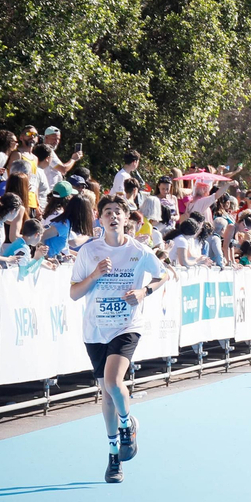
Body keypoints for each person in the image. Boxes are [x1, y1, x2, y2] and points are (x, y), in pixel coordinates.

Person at [70, 194, 166, 484]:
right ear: (100, 219)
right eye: (107, 212)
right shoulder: (89, 252)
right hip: (95, 329)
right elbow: (74, 292)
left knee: (113, 383)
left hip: (126, 325)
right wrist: (95, 275)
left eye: (118, 212)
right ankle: (114, 457)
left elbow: (163, 276)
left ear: (127, 219)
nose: (113, 216)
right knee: (107, 396)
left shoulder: (139, 251)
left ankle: (128, 425)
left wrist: (144, 292)